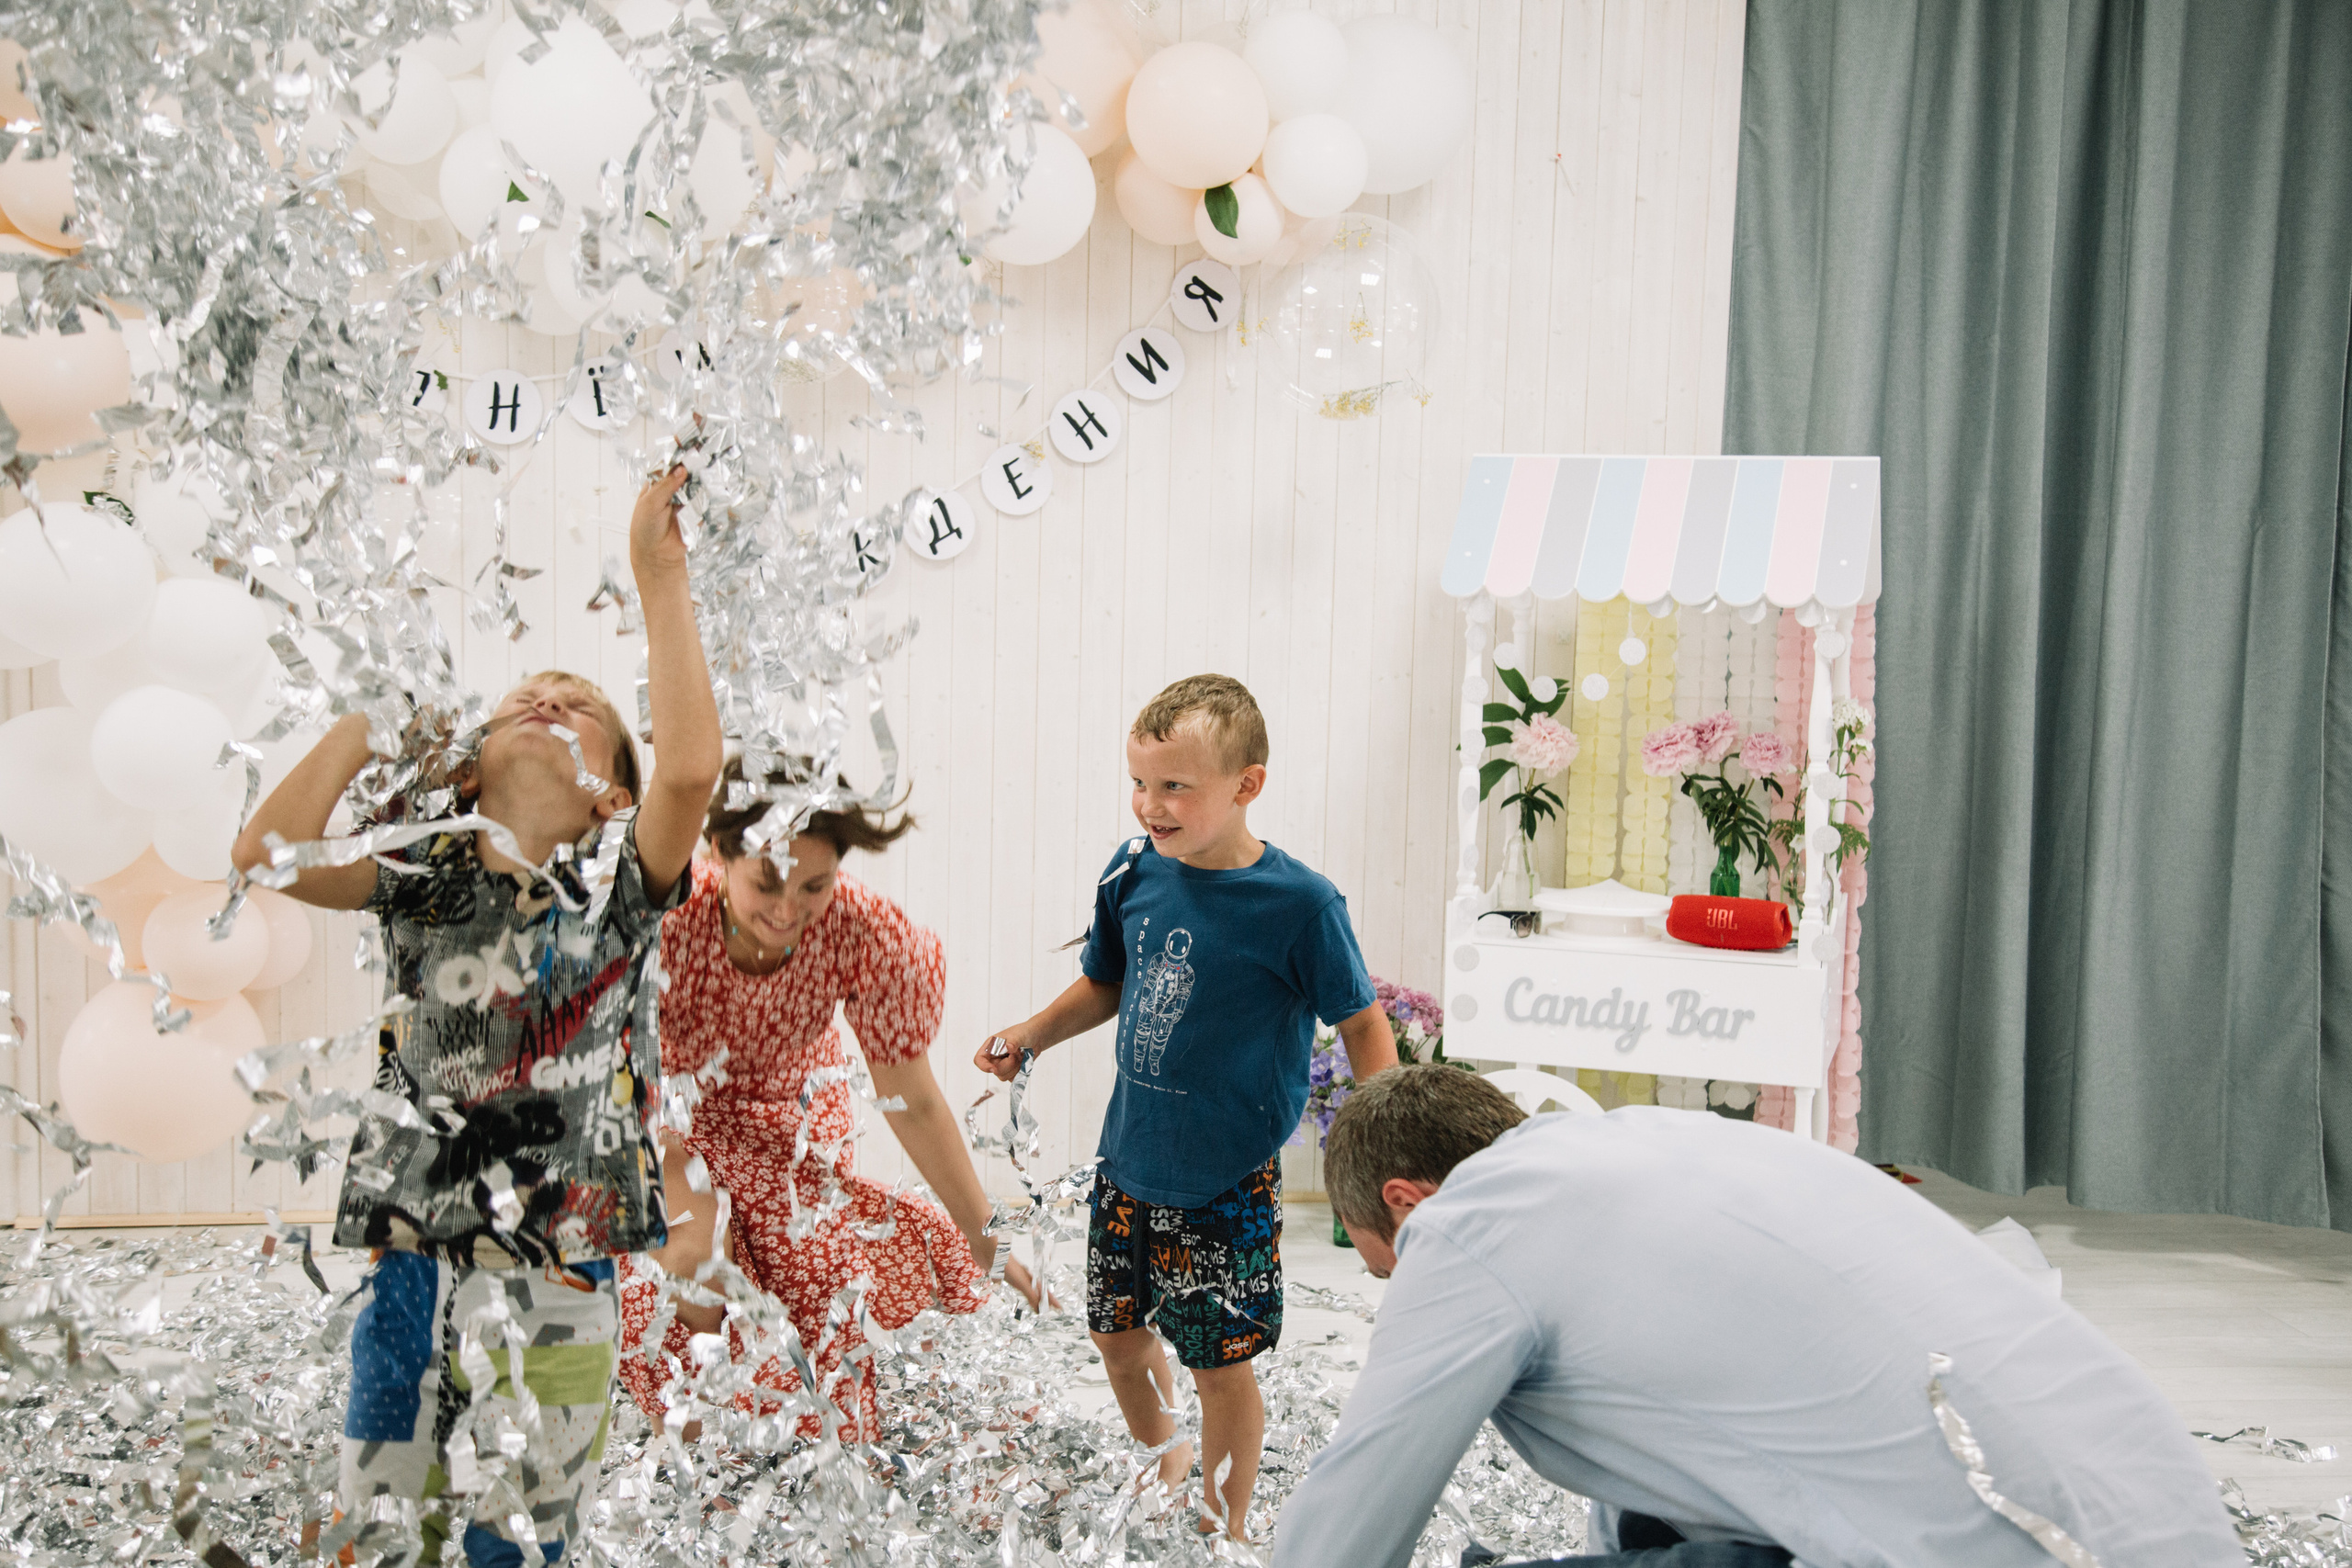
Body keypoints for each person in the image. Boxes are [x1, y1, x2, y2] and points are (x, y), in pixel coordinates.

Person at [232, 468, 721, 1568]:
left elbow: (689, 772)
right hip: (411, 1257)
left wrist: (658, 578)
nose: (547, 698)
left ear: (610, 795)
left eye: (580, 707)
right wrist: (374, 713)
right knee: (382, 1520)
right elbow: (267, 857)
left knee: (520, 1535)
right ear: (468, 764)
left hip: (561, 1268)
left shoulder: (620, 882)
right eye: (524, 699)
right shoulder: (425, 874)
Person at [1273, 1065, 2249, 1568]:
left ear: (1407, 1202)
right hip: (2161, 1514)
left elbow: (1353, 1513)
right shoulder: (1668, 1145)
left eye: (1383, 1271)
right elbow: (1666, 1452)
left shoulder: (1473, 1221)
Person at [976, 674, 1399, 1541]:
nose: (1150, 805)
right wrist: (1033, 1033)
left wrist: (1380, 1141)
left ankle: (1226, 1523)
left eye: (1175, 786)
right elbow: (1107, 980)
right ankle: (1167, 1462)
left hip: (1226, 1182)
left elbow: (1361, 1020)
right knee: (1121, 1347)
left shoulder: (1300, 904)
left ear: (1248, 784)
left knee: (1219, 1367)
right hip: (1128, 1161)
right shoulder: (1132, 871)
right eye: (1139, 782)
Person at [614, 757, 1041, 1441]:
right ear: (717, 852)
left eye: (814, 885)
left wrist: (983, 1232)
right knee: (694, 1258)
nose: (787, 910)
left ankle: (804, 1446)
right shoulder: (668, 918)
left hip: (794, 1112)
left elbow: (914, 1099)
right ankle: (704, 1451)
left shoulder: (862, 933)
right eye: (767, 882)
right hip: (671, 1111)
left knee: (817, 1305)